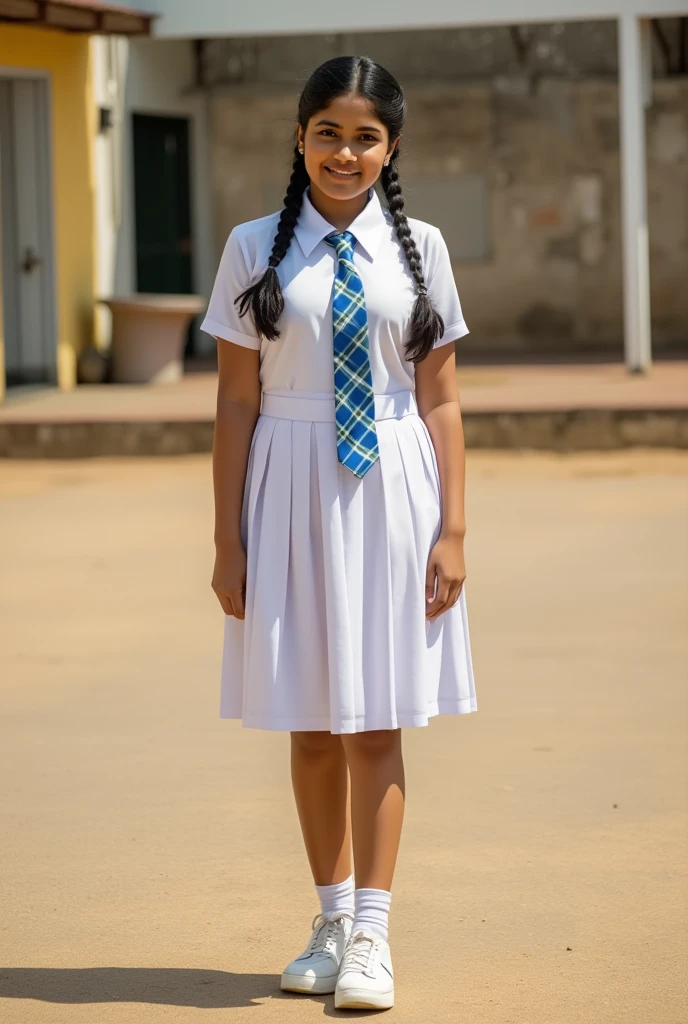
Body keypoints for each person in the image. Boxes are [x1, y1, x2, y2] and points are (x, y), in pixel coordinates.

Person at [203, 55, 477, 1012]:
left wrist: (454, 529)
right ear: (300, 137)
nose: (346, 152)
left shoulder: (424, 249)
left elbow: (441, 400)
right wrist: (227, 539)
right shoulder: (251, 247)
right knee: (313, 720)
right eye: (328, 132)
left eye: (365, 136)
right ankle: (326, 918)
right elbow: (236, 405)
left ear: (390, 146)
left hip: (394, 490)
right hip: (286, 485)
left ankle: (373, 932)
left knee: (377, 717)